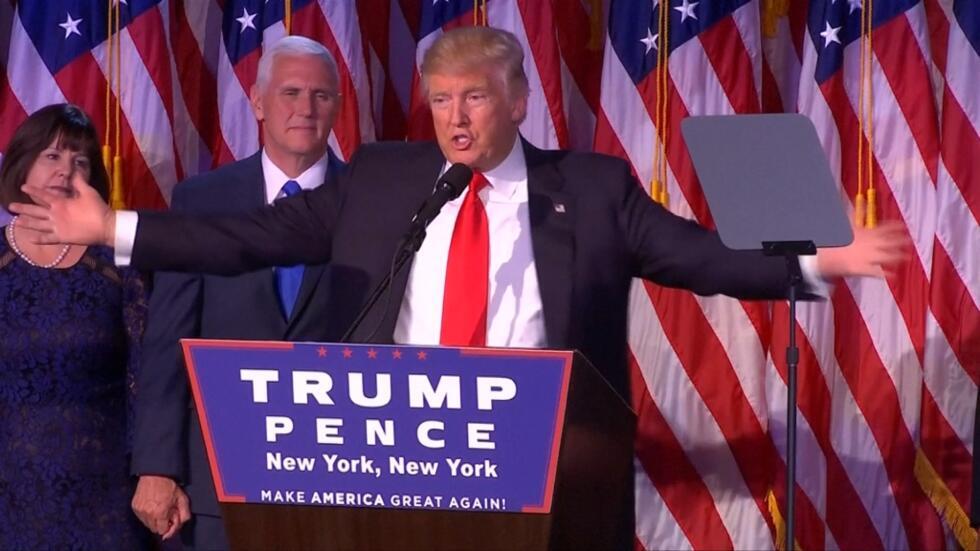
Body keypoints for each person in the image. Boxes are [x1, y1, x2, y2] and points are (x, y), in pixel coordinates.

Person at [10, 27, 907, 544]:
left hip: (543, 476)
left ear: (517, 100)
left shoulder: (591, 190)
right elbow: (243, 235)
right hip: (407, 472)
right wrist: (114, 229)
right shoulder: (386, 181)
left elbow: (696, 256)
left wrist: (814, 265)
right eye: (440, 99)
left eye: (473, 97)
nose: (455, 117)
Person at [128, 35, 346, 549]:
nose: (305, 108)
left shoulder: (373, 200)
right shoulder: (203, 200)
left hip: (339, 480)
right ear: (258, 102)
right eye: (290, 93)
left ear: (337, 106)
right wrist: (157, 465)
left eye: (320, 95)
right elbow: (169, 340)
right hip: (217, 483)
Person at [0, 103, 150, 549]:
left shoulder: (120, 265)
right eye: (52, 156)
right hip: (10, 490)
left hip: (107, 492)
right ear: (23, 162)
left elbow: (146, 377)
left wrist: (154, 473)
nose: (65, 170)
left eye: (80, 161)